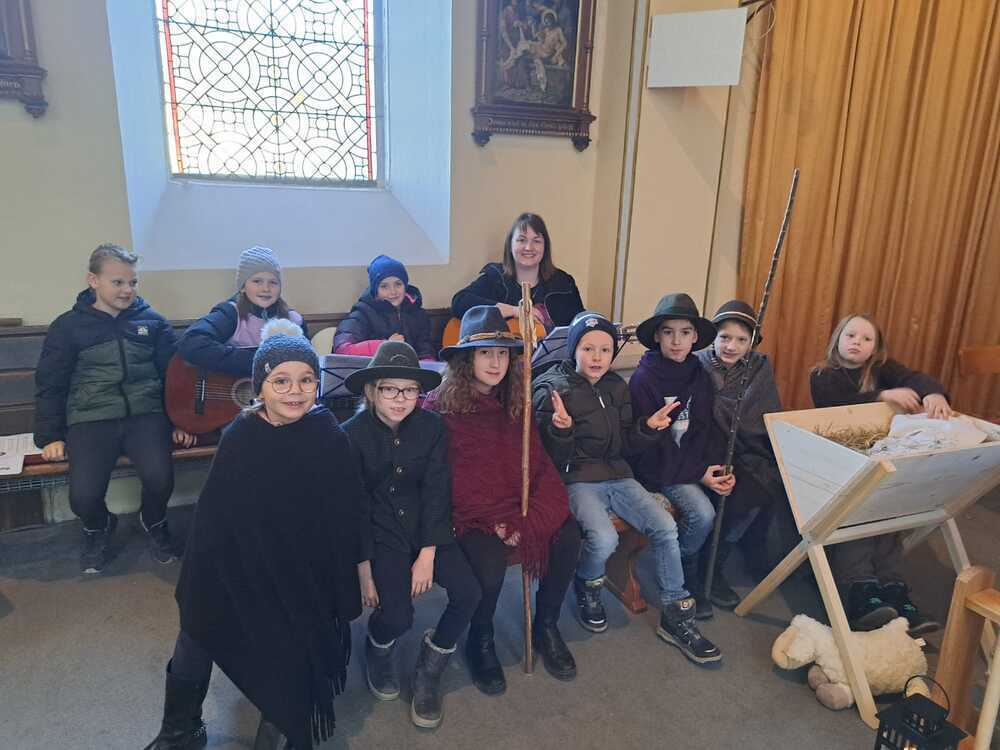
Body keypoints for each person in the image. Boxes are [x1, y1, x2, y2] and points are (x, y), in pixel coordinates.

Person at [143, 321, 364, 750]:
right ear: (260, 386)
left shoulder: (329, 438)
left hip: (300, 572)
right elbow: (214, 521)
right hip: (239, 565)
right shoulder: (240, 436)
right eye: (281, 381)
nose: (295, 391)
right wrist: (208, 579)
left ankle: (281, 722)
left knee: (292, 639)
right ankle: (180, 730)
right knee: (195, 627)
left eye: (306, 380)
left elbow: (343, 516)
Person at [533, 312, 721, 664]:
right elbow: (546, 458)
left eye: (605, 350)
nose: (597, 357)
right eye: (588, 349)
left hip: (619, 475)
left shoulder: (615, 386)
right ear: (574, 349)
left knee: (665, 527)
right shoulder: (553, 388)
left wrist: (648, 427)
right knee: (604, 538)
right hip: (578, 479)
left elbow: (626, 445)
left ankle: (676, 615)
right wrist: (561, 429)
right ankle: (588, 583)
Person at [423, 306, 582, 693]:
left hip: (514, 505)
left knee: (568, 536)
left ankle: (545, 624)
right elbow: (445, 480)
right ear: (466, 359)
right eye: (485, 353)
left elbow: (537, 462)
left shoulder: (516, 401)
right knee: (489, 561)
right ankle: (481, 638)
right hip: (469, 513)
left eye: (502, 354)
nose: (496, 363)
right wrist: (497, 523)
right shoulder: (439, 409)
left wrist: (524, 519)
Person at [341, 341, 481, 729]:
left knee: (469, 593)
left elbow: (437, 490)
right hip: (380, 534)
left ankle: (430, 664)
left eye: (410, 390)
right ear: (372, 391)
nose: (401, 399)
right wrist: (364, 568)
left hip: (426, 528)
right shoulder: (350, 435)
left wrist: (428, 553)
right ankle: (377, 644)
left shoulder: (432, 427)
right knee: (397, 616)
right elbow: (353, 507)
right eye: (390, 389)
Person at [34, 244, 195, 574]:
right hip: (91, 418)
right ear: (93, 281)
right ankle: (99, 526)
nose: (127, 290)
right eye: (118, 282)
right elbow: (51, 383)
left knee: (160, 478)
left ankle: (154, 520)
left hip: (146, 416)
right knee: (84, 496)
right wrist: (51, 436)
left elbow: (175, 378)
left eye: (133, 282)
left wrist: (182, 420)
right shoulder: (68, 327)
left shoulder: (153, 322)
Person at [810, 313, 947, 635]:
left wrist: (934, 393)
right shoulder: (822, 374)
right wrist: (882, 396)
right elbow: (836, 404)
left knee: (888, 517)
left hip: (879, 462)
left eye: (866, 339)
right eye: (850, 336)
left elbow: (915, 378)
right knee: (858, 515)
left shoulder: (882, 369)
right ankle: (859, 590)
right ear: (838, 339)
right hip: (839, 463)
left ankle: (892, 588)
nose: (857, 342)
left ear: (876, 348)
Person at [628, 293, 735, 620]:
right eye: (668, 332)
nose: (677, 341)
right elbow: (651, 447)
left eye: (685, 332)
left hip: (690, 464)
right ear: (657, 336)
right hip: (659, 467)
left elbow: (704, 429)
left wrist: (713, 469)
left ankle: (691, 562)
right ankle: (683, 567)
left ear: (695, 337)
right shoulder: (644, 378)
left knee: (732, 497)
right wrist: (698, 474)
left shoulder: (697, 374)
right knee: (702, 514)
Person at [695, 300, 798, 607]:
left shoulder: (758, 365)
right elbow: (696, 414)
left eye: (742, 340)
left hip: (748, 447)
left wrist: (734, 422)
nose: (731, 346)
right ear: (713, 337)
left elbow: (761, 412)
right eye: (725, 337)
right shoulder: (697, 363)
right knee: (729, 490)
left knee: (762, 485)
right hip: (705, 448)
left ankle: (721, 557)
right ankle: (705, 567)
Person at [178, 246, 306, 377]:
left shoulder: (294, 321)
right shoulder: (230, 313)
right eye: (257, 281)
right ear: (243, 287)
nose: (266, 288)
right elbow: (191, 342)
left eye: (273, 282)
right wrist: (257, 360)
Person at [451, 213, 584, 331]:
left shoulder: (563, 282)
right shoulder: (495, 277)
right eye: (521, 240)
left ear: (545, 247)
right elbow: (459, 302)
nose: (529, 247)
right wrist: (515, 311)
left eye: (536, 241)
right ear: (510, 245)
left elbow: (581, 321)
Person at [333, 255, 435, 359]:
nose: (393, 291)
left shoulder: (419, 314)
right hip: (374, 369)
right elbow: (342, 350)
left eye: (398, 284)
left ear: (405, 286)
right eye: (384, 286)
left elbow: (426, 351)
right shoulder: (361, 314)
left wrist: (429, 364)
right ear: (375, 290)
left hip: (410, 369)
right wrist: (386, 346)